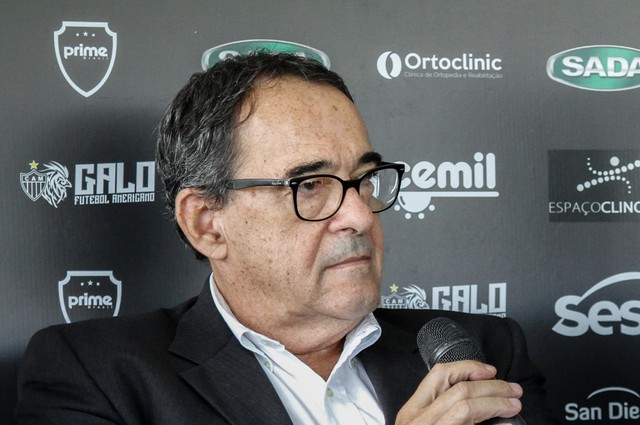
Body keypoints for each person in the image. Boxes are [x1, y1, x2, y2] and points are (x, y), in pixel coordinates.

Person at [16, 52, 557, 424]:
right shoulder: (96, 374)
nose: (359, 215)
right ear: (207, 223)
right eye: (310, 186)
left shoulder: (479, 351)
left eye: (364, 179)